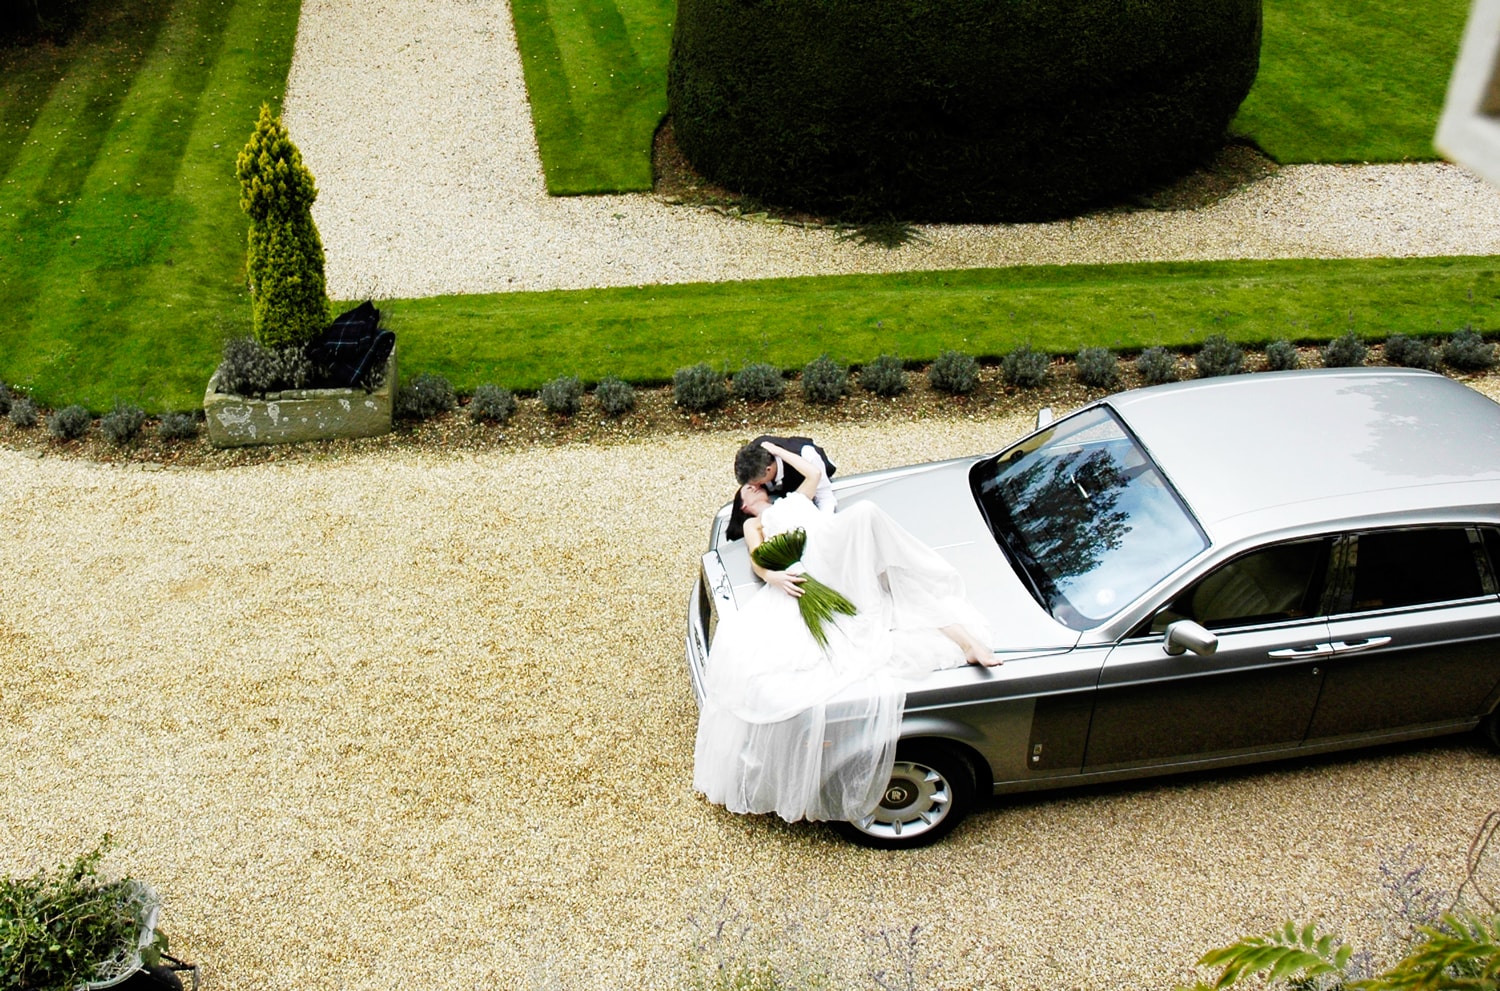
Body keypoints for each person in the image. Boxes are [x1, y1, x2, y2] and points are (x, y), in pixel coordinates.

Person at [694, 441, 998, 824]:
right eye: (747, 491)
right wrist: (774, 576)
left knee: (873, 529)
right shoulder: (757, 523)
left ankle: (964, 637)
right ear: (744, 505)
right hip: (817, 564)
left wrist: (775, 449)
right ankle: (964, 640)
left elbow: (814, 474)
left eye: (756, 485)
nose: (754, 490)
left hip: (833, 543)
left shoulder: (792, 501)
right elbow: (757, 560)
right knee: (884, 596)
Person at [726, 435, 836, 540]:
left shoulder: (807, 456)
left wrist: (824, 529)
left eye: (755, 482)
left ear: (768, 470)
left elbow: (824, 496)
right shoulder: (753, 461)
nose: (754, 487)